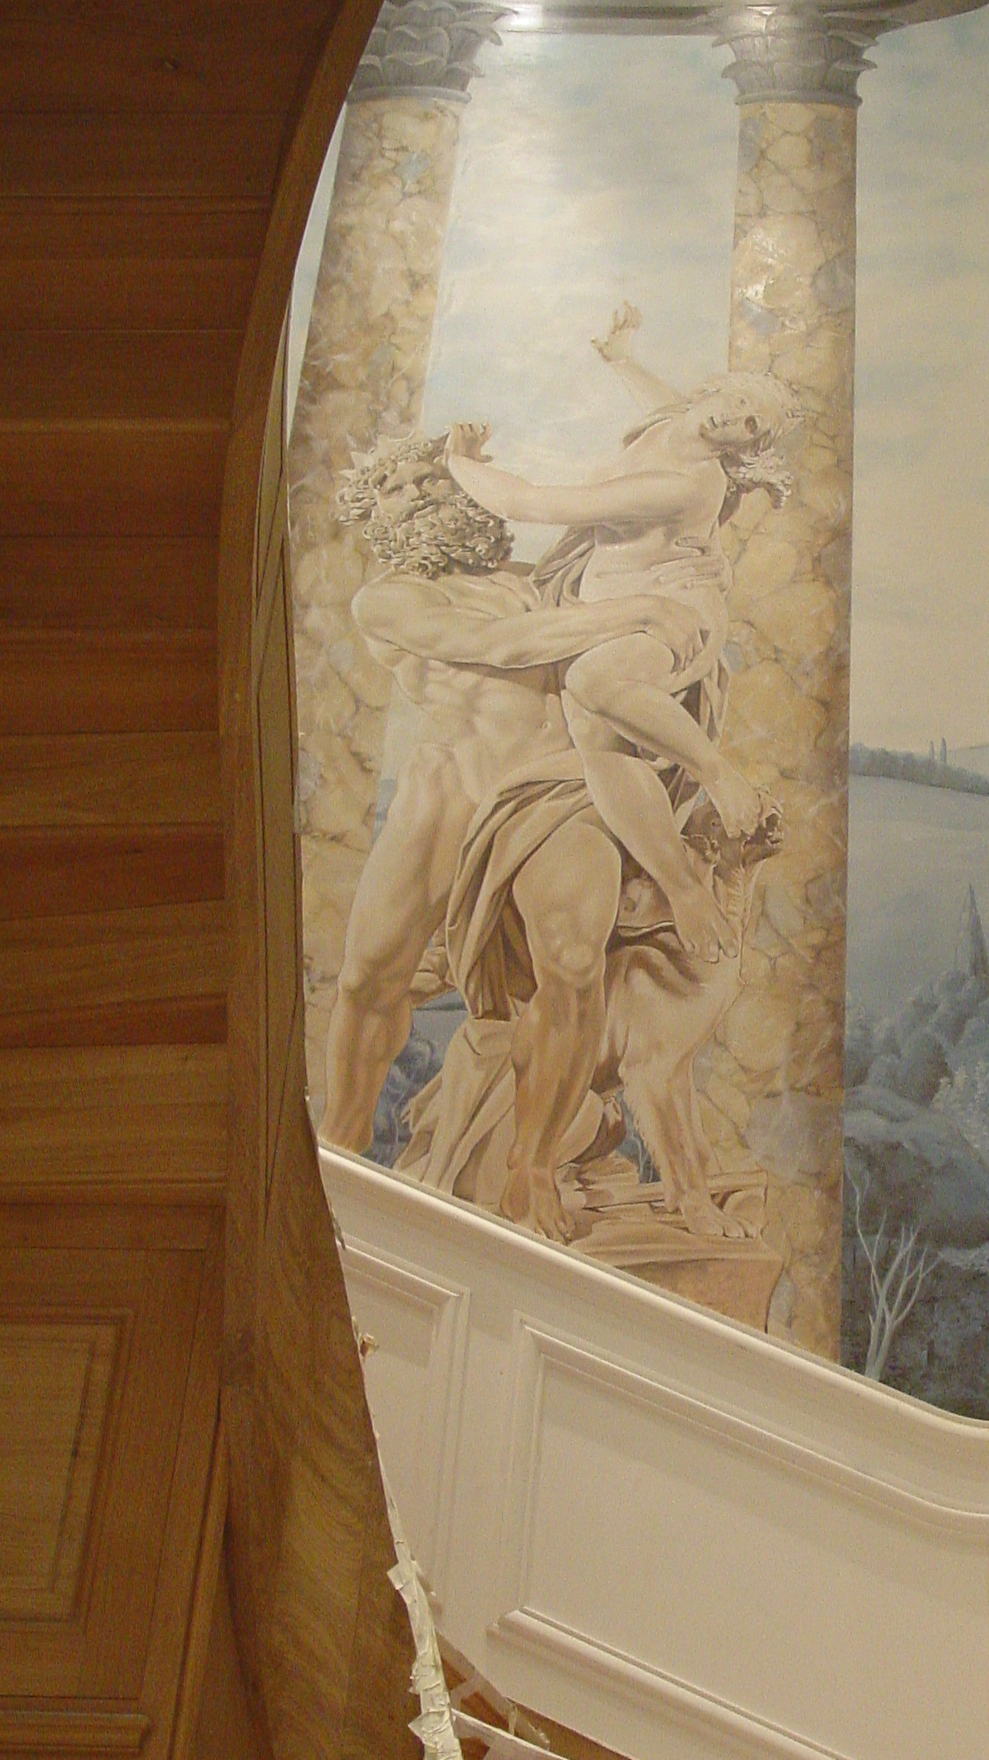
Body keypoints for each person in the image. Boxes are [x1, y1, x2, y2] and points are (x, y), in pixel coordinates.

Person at [319, 317, 795, 1240]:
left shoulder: (542, 576)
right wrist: (640, 608)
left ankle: (532, 1169)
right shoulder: (393, 598)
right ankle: (338, 1149)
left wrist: (687, 561)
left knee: (573, 967)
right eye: (411, 489)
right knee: (372, 977)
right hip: (446, 803)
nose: (432, 495)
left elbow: (653, 500)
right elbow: (505, 646)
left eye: (437, 479)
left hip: (550, 798)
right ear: (385, 517)